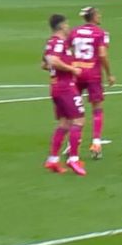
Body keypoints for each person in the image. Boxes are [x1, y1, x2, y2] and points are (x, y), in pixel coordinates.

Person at [42, 14, 87, 176]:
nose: (69, 27)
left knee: (64, 123)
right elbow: (53, 61)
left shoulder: (50, 43)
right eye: (67, 25)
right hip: (66, 87)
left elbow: (44, 64)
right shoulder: (59, 43)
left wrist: (59, 67)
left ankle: (53, 160)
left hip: (55, 87)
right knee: (79, 119)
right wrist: (71, 69)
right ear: (61, 26)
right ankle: (73, 159)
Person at [67, 6, 114, 160]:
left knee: (75, 108)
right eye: (98, 14)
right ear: (93, 17)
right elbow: (102, 54)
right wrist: (109, 74)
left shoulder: (74, 31)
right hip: (93, 73)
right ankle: (96, 143)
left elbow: (66, 50)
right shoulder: (101, 33)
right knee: (97, 108)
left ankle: (72, 142)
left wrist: (71, 65)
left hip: (77, 72)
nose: (100, 16)